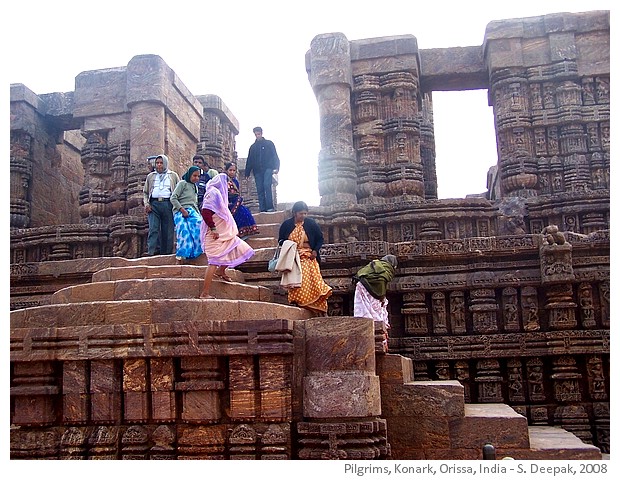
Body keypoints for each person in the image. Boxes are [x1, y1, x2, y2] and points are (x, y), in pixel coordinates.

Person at [199, 173, 255, 298]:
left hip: (225, 233)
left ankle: (221, 271)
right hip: (215, 234)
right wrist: (213, 228)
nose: (229, 185)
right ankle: (205, 293)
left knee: (240, 247)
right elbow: (206, 212)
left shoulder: (218, 194)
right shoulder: (212, 193)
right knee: (213, 262)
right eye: (228, 182)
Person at [277, 201, 332, 315]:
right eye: (301, 213)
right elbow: (280, 240)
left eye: (305, 213)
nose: (303, 216)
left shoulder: (311, 224)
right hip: (293, 258)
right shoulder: (286, 225)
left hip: (308, 256)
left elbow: (320, 238)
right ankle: (299, 303)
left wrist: (315, 250)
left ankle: (314, 305)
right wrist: (289, 245)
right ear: (294, 213)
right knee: (296, 282)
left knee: (312, 281)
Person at [353, 255, 398, 349]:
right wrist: (381, 296)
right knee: (376, 313)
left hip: (361, 287)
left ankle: (367, 332)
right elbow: (381, 280)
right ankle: (377, 338)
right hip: (371, 292)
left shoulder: (374, 264)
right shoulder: (387, 268)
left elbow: (360, 274)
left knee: (364, 309)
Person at [142, 154, 180, 256]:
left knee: (168, 230)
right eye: (157, 163)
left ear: (165, 163)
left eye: (161, 163)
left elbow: (178, 191)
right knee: (153, 228)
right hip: (154, 204)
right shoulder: (151, 176)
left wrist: (177, 206)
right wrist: (146, 204)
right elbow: (145, 192)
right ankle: (151, 252)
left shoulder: (173, 175)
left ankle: (166, 254)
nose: (159, 165)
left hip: (168, 204)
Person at [170, 166, 204, 261]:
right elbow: (173, 198)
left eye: (198, 176)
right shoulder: (182, 184)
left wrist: (198, 214)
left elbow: (194, 203)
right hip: (179, 211)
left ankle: (195, 252)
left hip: (192, 211)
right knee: (184, 231)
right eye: (194, 176)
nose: (196, 178)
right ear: (189, 175)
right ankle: (182, 254)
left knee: (199, 227)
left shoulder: (194, 187)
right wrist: (181, 209)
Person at [245, 126, 280, 212]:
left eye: (259, 134)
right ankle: (262, 209)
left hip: (268, 168)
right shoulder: (253, 147)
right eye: (256, 134)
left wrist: (276, 167)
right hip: (257, 171)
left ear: (262, 133)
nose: (257, 136)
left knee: (267, 185)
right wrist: (247, 173)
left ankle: (270, 207)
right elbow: (250, 160)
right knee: (260, 189)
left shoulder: (269, 144)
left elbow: (274, 155)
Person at [225, 162, 260, 240]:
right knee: (239, 213)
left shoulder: (235, 181)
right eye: (230, 170)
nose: (232, 172)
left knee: (245, 212)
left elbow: (237, 193)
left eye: (234, 170)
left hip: (236, 202)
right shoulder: (224, 180)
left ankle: (244, 233)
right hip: (228, 202)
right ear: (226, 170)